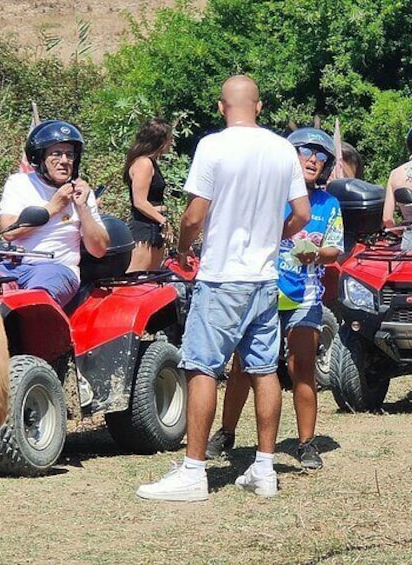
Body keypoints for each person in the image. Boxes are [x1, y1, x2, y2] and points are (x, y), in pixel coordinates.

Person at [136, 75, 311, 502]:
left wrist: (181, 249)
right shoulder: (283, 148)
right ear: (260, 106)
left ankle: (194, 472)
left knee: (202, 368)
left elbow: (195, 215)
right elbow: (302, 213)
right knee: (265, 369)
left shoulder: (212, 146)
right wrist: (274, 237)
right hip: (264, 278)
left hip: (221, 276)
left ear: (220, 108)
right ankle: (265, 468)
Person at [206, 127, 344, 470]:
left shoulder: (329, 204)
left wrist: (317, 254)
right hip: (261, 290)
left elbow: (335, 248)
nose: (313, 160)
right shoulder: (267, 193)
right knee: (242, 367)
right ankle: (226, 433)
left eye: (320, 156)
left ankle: (306, 443)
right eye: (305, 153)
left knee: (302, 367)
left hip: (304, 295)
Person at [0, 120, 109, 307]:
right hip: (10, 267)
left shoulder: (81, 192)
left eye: (69, 155)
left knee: (33, 304)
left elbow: (99, 250)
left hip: (56, 269)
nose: (64, 161)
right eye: (56, 154)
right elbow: (9, 231)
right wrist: (53, 207)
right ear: (39, 158)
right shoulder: (19, 183)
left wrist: (83, 208)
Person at [124, 118, 174, 272]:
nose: (171, 142)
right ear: (161, 140)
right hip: (144, 230)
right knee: (139, 278)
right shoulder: (143, 163)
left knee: (151, 279)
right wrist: (163, 221)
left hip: (153, 228)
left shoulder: (151, 162)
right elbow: (140, 202)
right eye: (170, 138)